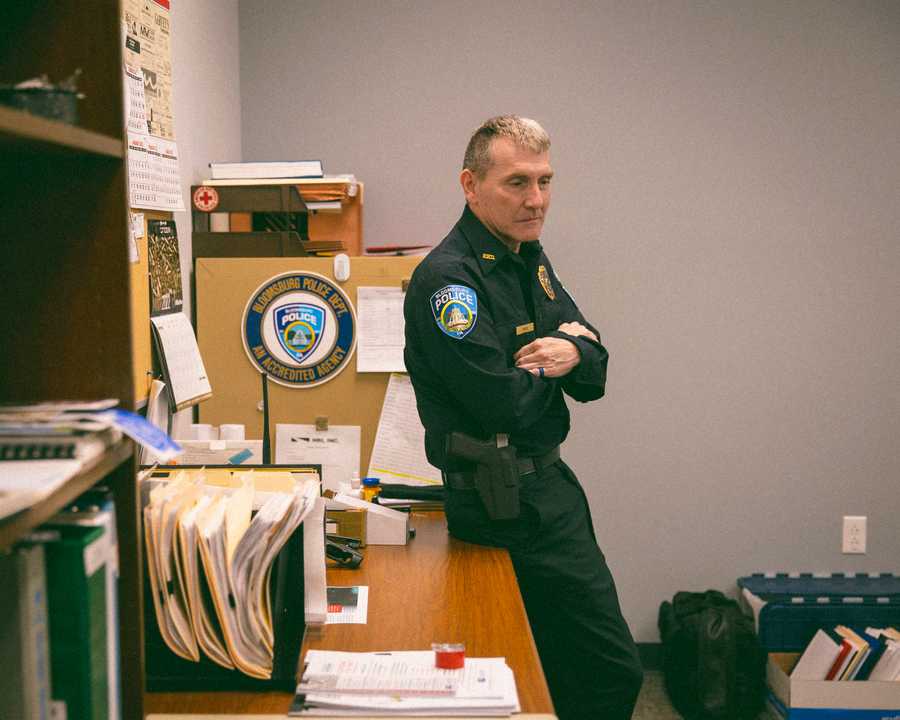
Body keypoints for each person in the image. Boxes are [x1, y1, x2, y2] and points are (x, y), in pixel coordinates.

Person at [403, 115, 643, 719]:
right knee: (587, 673)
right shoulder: (449, 280)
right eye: (516, 183)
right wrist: (558, 359)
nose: (535, 200)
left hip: (549, 492)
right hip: (502, 503)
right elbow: (499, 402)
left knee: (587, 673)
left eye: (544, 181)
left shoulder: (528, 256)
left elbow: (595, 372)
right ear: (470, 184)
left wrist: (571, 352)